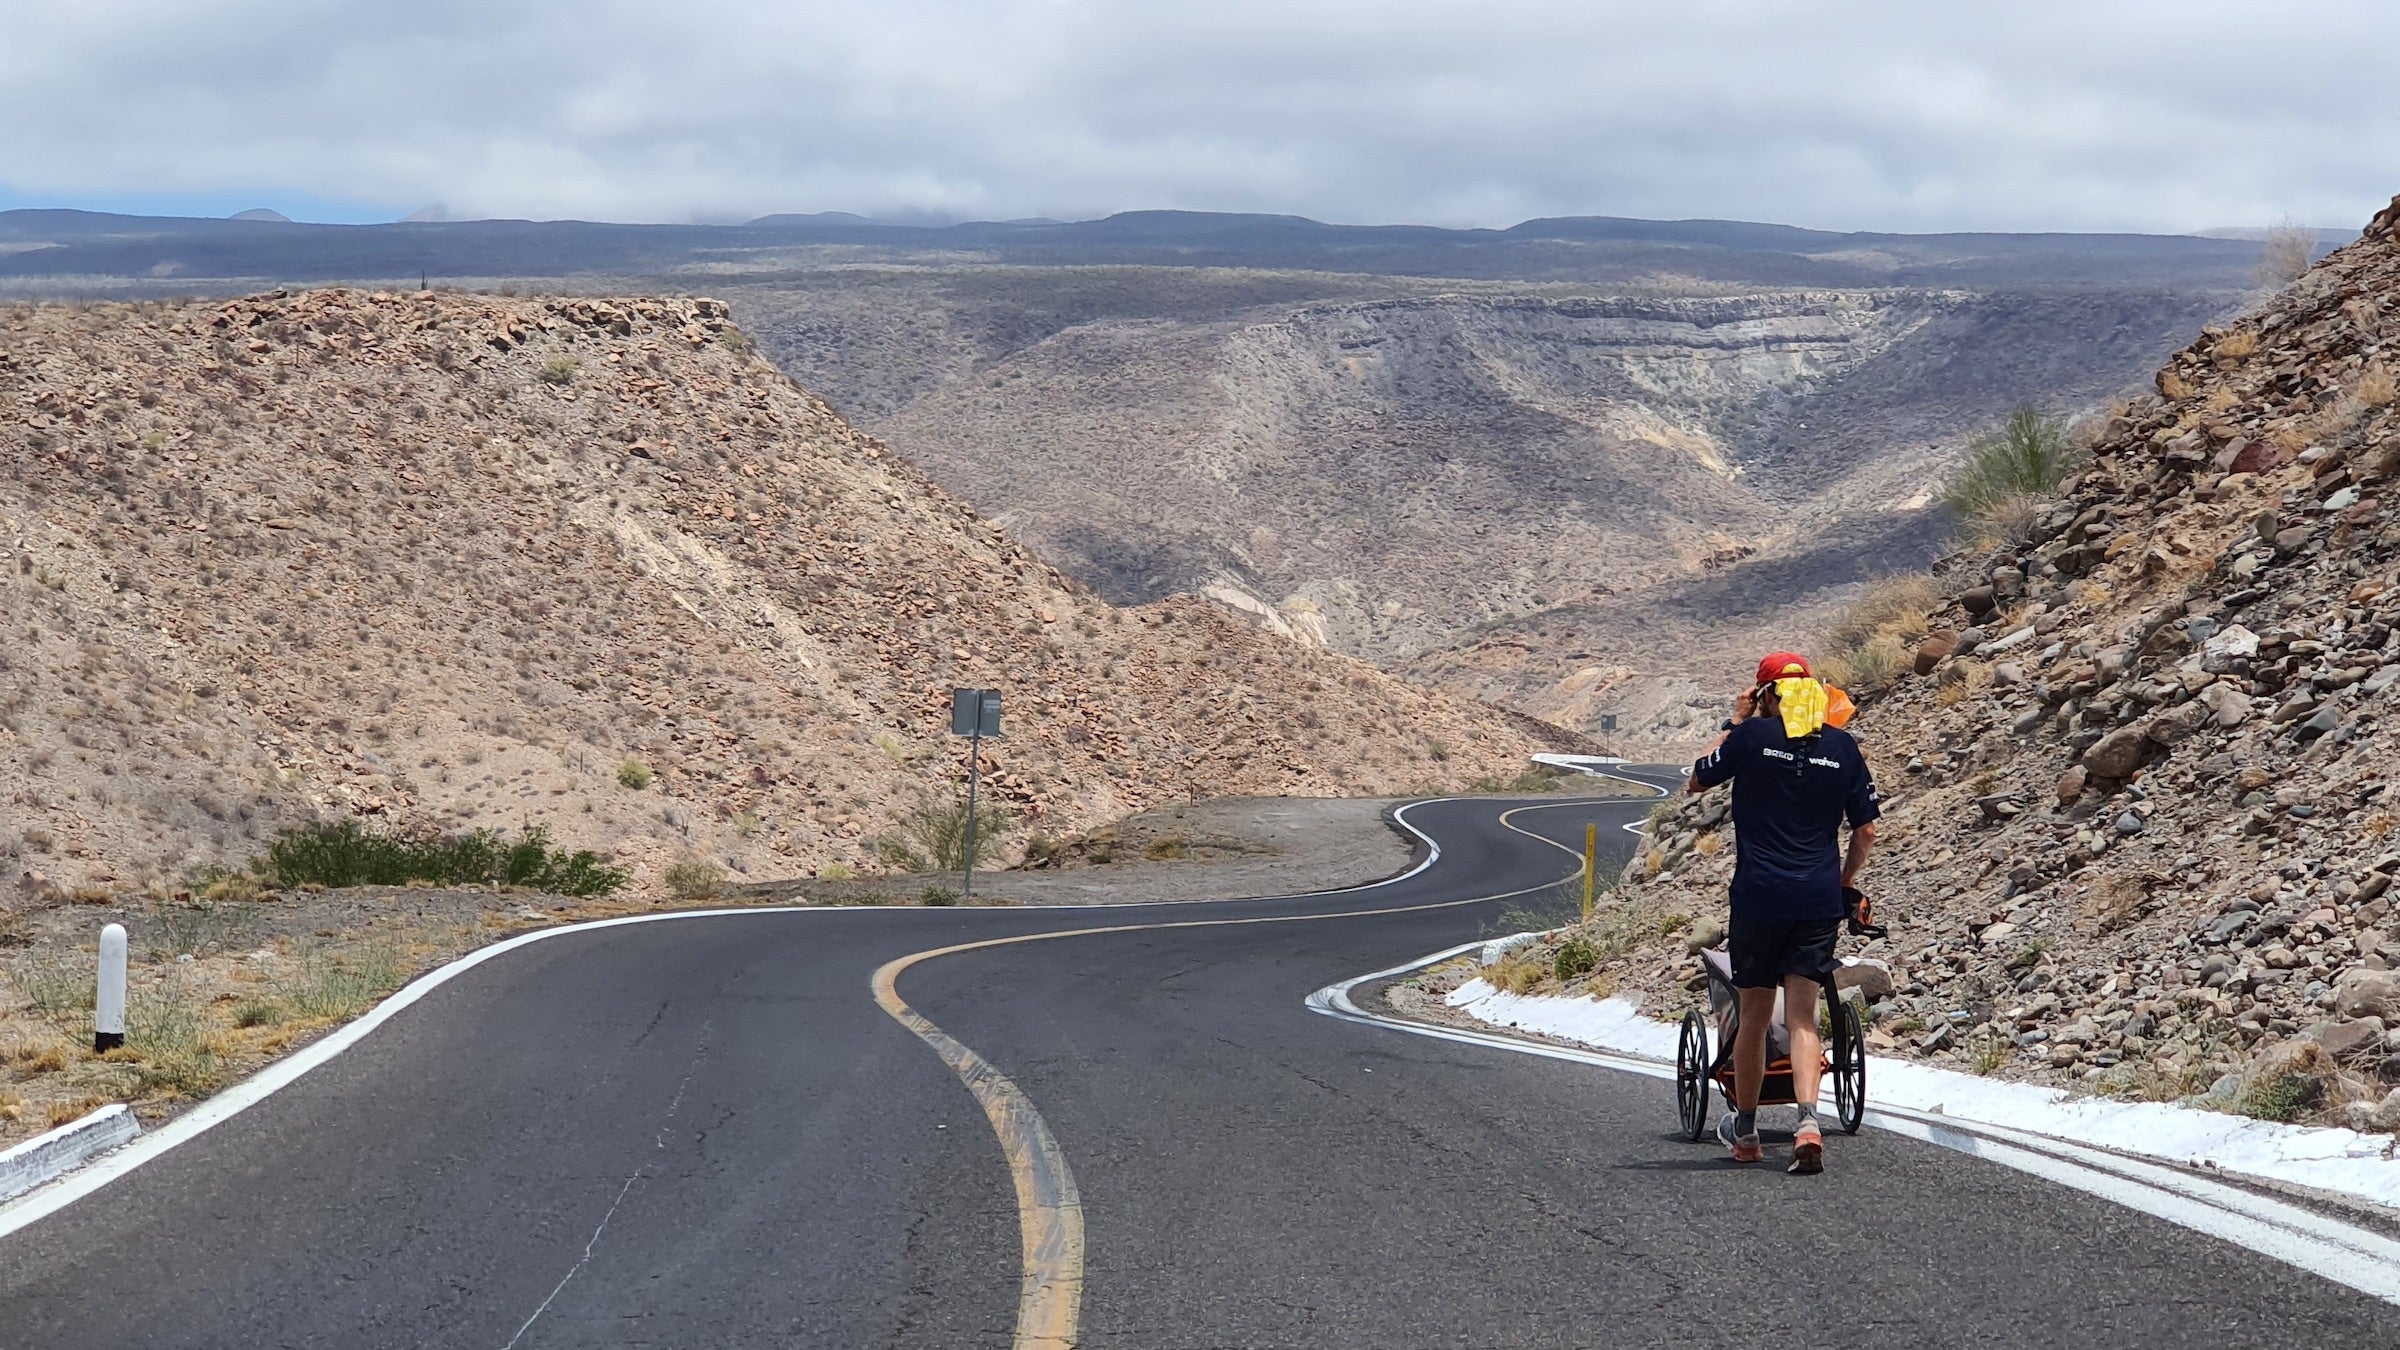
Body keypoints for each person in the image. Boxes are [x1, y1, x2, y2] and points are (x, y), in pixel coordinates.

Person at [1684, 652, 1880, 1174]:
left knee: (1752, 1016)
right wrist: (1844, 881)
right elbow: (1865, 831)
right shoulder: (1842, 746)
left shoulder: (1750, 737)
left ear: (1766, 694)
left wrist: (1736, 719)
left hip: (1758, 897)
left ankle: (1747, 1132)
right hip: (1816, 900)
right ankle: (1809, 1122)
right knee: (1802, 1018)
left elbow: (1697, 779)